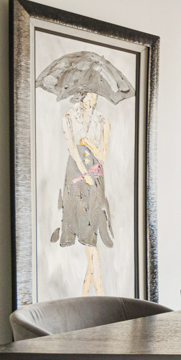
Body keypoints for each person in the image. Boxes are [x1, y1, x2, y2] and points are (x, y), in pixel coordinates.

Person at [53, 90, 113, 295]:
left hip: (96, 175)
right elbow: (71, 148)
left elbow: (103, 156)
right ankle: (98, 296)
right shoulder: (68, 118)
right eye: (88, 97)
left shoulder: (103, 122)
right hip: (77, 175)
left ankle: (89, 296)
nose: (92, 102)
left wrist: (89, 144)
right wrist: (83, 172)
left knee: (91, 235)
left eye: (95, 97)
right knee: (86, 235)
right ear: (80, 96)